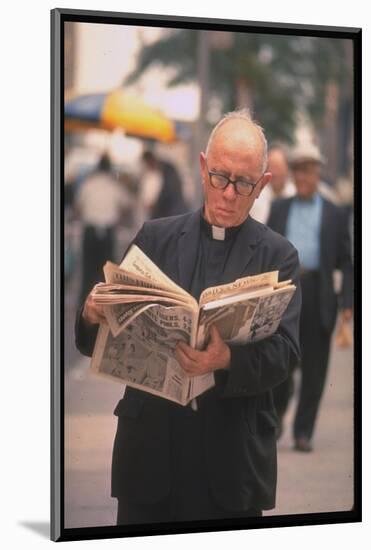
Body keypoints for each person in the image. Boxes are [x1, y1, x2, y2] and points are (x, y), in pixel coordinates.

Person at [75, 109, 301, 524]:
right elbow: (96, 341)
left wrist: (226, 359)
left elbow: (285, 354)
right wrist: (92, 314)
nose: (229, 193)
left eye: (244, 183)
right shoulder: (154, 237)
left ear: (262, 185)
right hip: (149, 458)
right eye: (219, 177)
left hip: (230, 466)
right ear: (202, 167)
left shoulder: (278, 257)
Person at [267, 142, 353, 452]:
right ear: (293, 173)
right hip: (285, 292)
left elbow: (347, 260)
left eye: (310, 170)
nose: (304, 176)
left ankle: (303, 431)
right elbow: (266, 252)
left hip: (319, 293)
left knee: (316, 370)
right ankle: (275, 421)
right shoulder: (279, 208)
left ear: (318, 174)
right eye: (299, 169)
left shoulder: (335, 214)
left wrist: (348, 305)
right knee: (280, 361)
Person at [75, 153, 131, 305]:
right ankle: (104, 304)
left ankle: (84, 305)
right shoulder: (114, 185)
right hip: (107, 231)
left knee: (88, 270)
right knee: (105, 272)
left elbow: (78, 206)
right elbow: (126, 205)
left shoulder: (88, 183)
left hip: (90, 230)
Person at [250, 145, 296, 223]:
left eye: (278, 167)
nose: (274, 173)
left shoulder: (294, 194)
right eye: (271, 167)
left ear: (287, 170)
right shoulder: (256, 196)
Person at [139, 150, 188, 221]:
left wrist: (155, 204)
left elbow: (168, 192)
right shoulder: (162, 170)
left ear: (150, 160)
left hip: (172, 212)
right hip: (169, 212)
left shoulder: (167, 170)